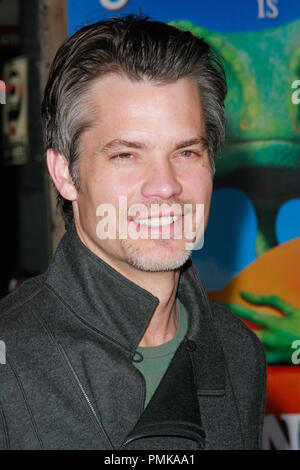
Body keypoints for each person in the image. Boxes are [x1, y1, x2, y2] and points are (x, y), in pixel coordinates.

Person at [0, 15, 266, 450]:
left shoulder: (239, 353)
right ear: (65, 174)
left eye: (186, 151)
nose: (165, 185)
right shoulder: (9, 360)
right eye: (126, 155)